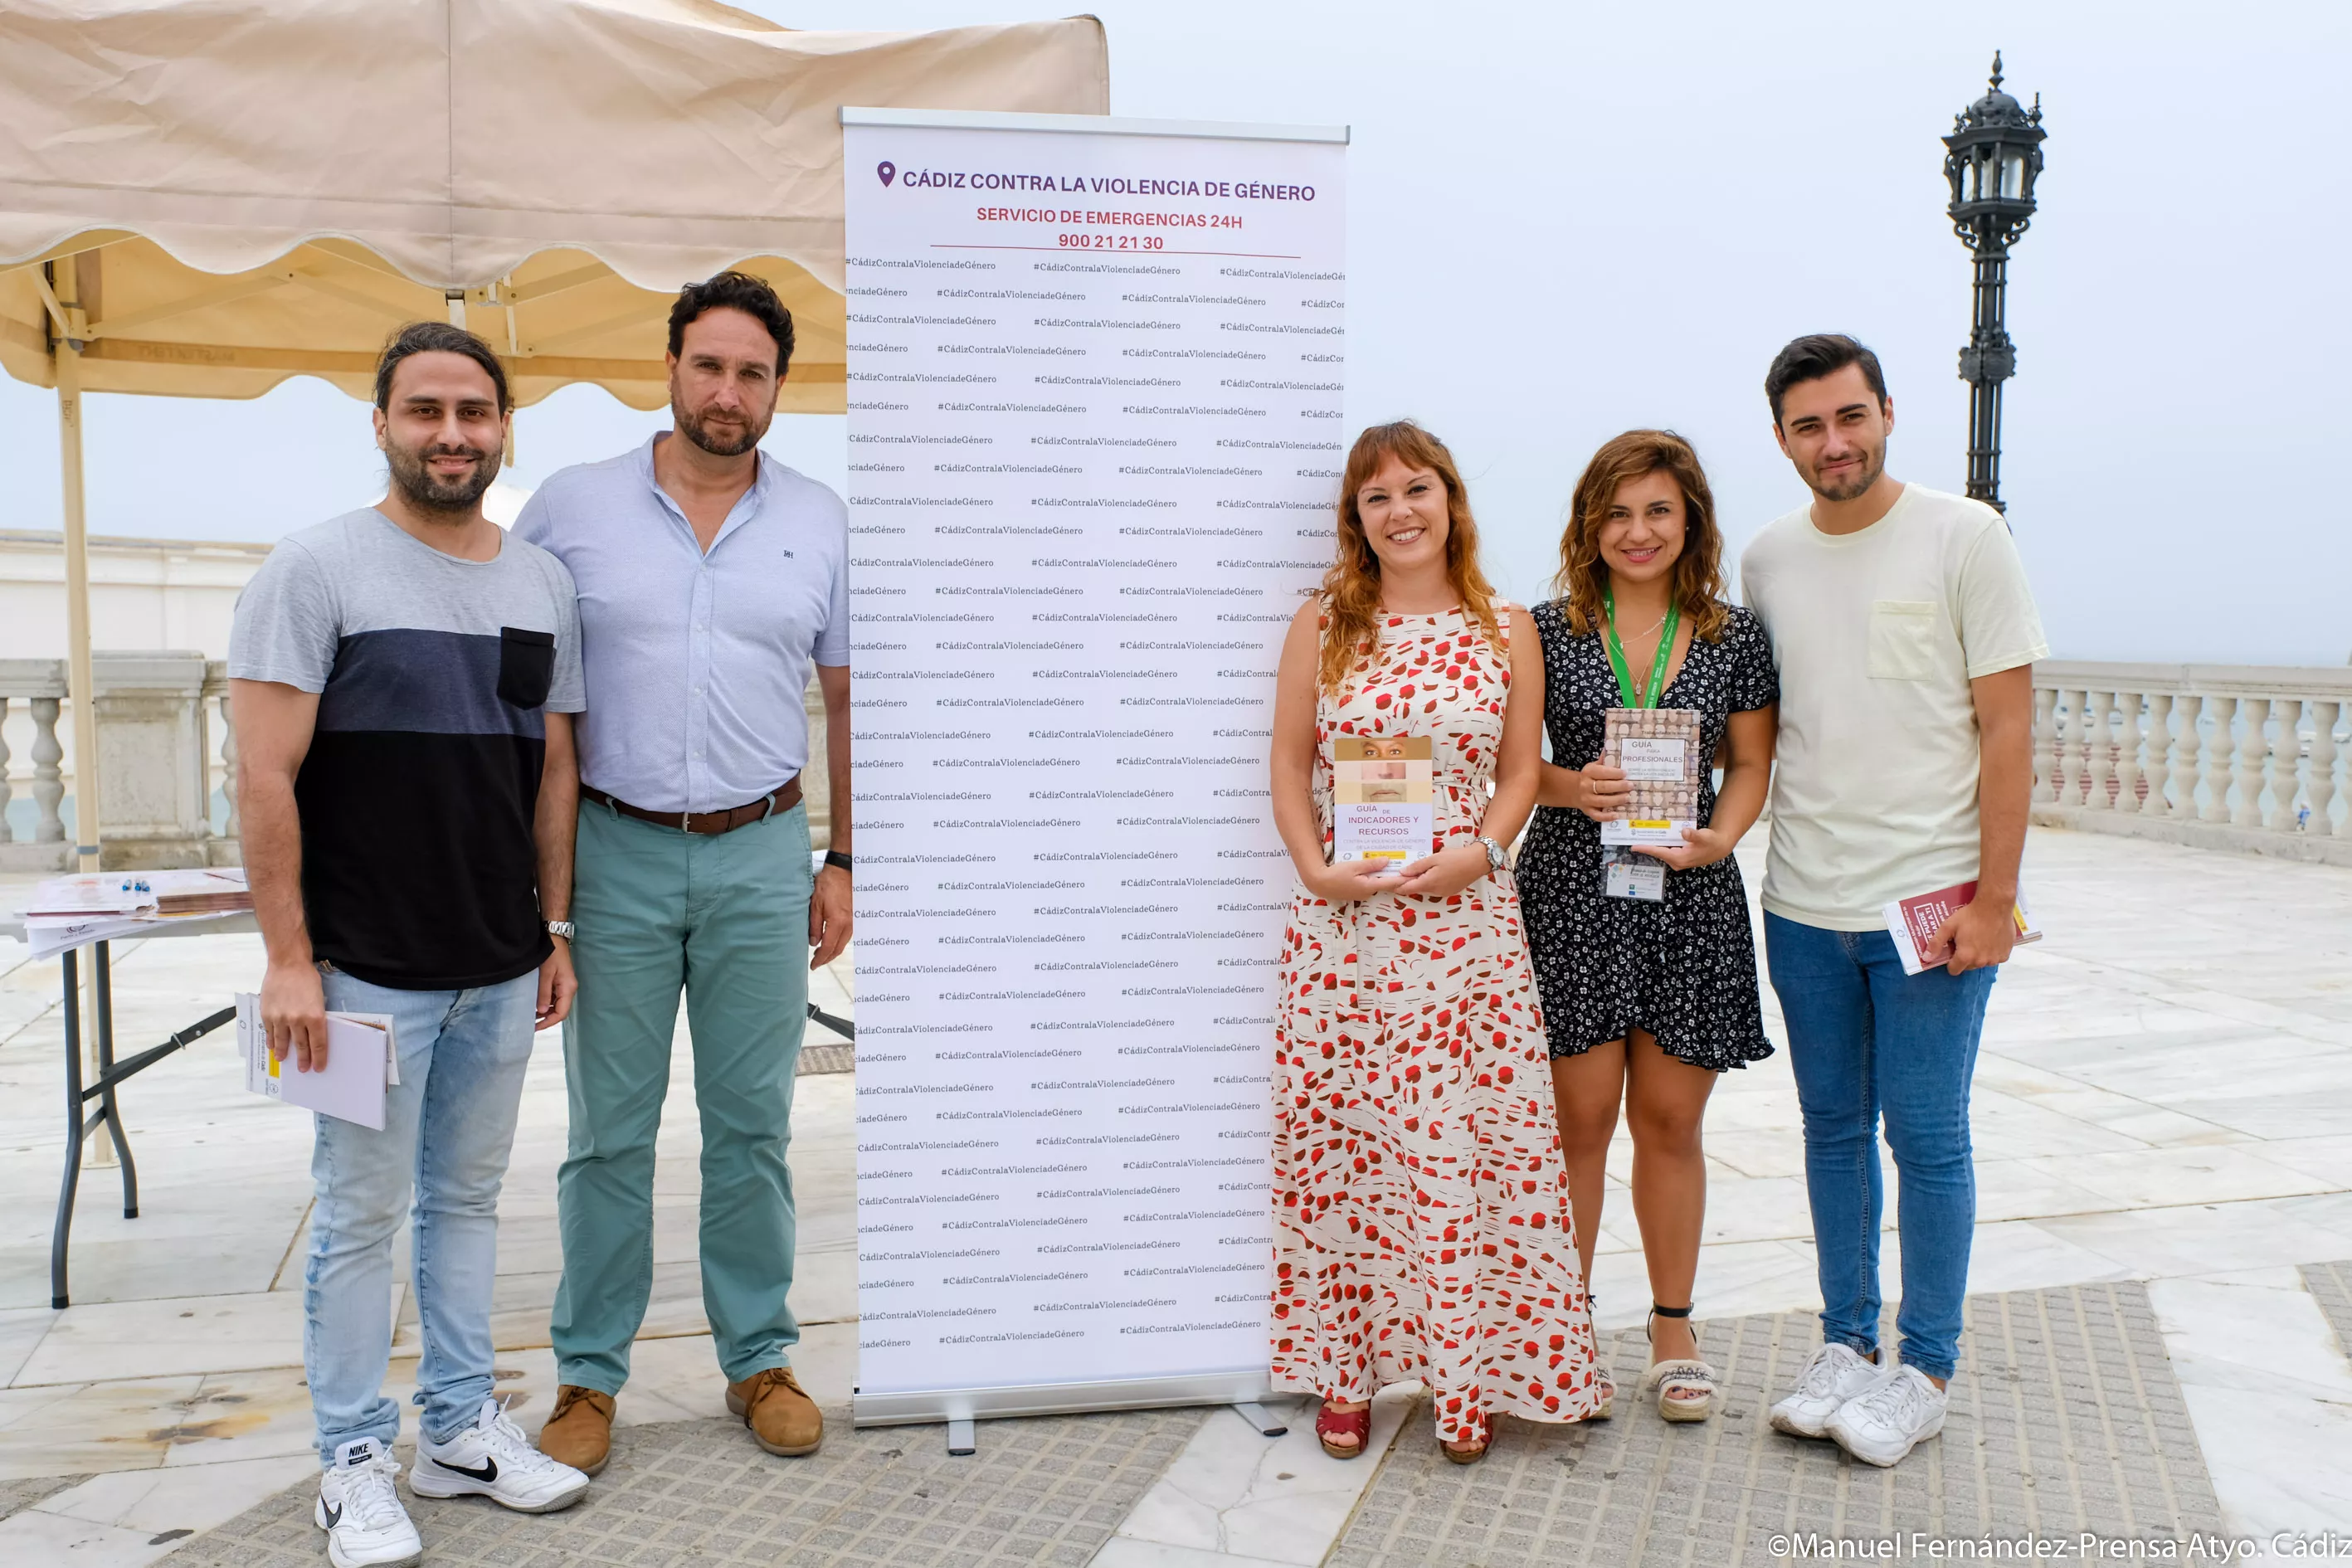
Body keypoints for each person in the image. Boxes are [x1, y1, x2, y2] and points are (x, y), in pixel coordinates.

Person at [231, 321, 592, 1568]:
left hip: (497, 962)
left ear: (503, 429)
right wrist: (290, 960)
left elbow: (549, 764)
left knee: (467, 1199)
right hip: (357, 970)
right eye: (426, 410)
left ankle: (455, 1431)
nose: (452, 434)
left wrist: (551, 926)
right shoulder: (313, 568)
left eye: (474, 413)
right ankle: (349, 1455)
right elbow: (264, 776)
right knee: (355, 1213)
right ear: (381, 423)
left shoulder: (538, 580)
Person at [515, 271, 851, 1473]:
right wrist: (538, 894)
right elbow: (530, 705)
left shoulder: (818, 517)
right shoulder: (569, 509)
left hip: (764, 850)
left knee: (751, 1126)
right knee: (608, 1131)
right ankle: (586, 1375)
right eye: (708, 366)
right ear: (669, 369)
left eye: (751, 372)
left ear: (776, 388)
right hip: (614, 850)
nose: (727, 391)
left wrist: (841, 857)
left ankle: (757, 1355)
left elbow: (843, 695)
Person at [1269, 420, 1605, 1465]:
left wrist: (1485, 854)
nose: (1401, 511)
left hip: (1467, 936)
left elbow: (1518, 773)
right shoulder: (1324, 623)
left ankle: (1470, 1383)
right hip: (1348, 938)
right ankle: (1345, 1373)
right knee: (1351, 1156)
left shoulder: (1506, 627)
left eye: (1418, 489)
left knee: (1469, 1154)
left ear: (1451, 501)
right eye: (1377, 498)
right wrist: (1315, 867)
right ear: (1355, 520)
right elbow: (1286, 764)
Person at [1742, 334, 2045, 1467]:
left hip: (1933, 902)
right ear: (1781, 440)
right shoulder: (1767, 559)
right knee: (1829, 1130)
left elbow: (2007, 727)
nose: (1834, 441)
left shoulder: (1964, 535)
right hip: (1804, 901)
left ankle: (1921, 1368)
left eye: (1849, 416)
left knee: (1924, 1134)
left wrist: (1996, 898)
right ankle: (1842, 1341)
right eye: (1809, 425)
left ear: (1884, 414)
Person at [1514, 430, 1779, 1424]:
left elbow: (1750, 763)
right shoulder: (1541, 628)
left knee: (1671, 1122)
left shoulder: (1731, 633)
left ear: (1690, 520)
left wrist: (1724, 837)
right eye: (1618, 513)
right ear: (1590, 522)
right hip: (1574, 890)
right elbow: (1513, 769)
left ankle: (1674, 1329)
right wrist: (1566, 785)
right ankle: (1562, 1332)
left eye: (1658, 511)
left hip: (1689, 892)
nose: (1638, 531)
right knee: (1575, 1124)